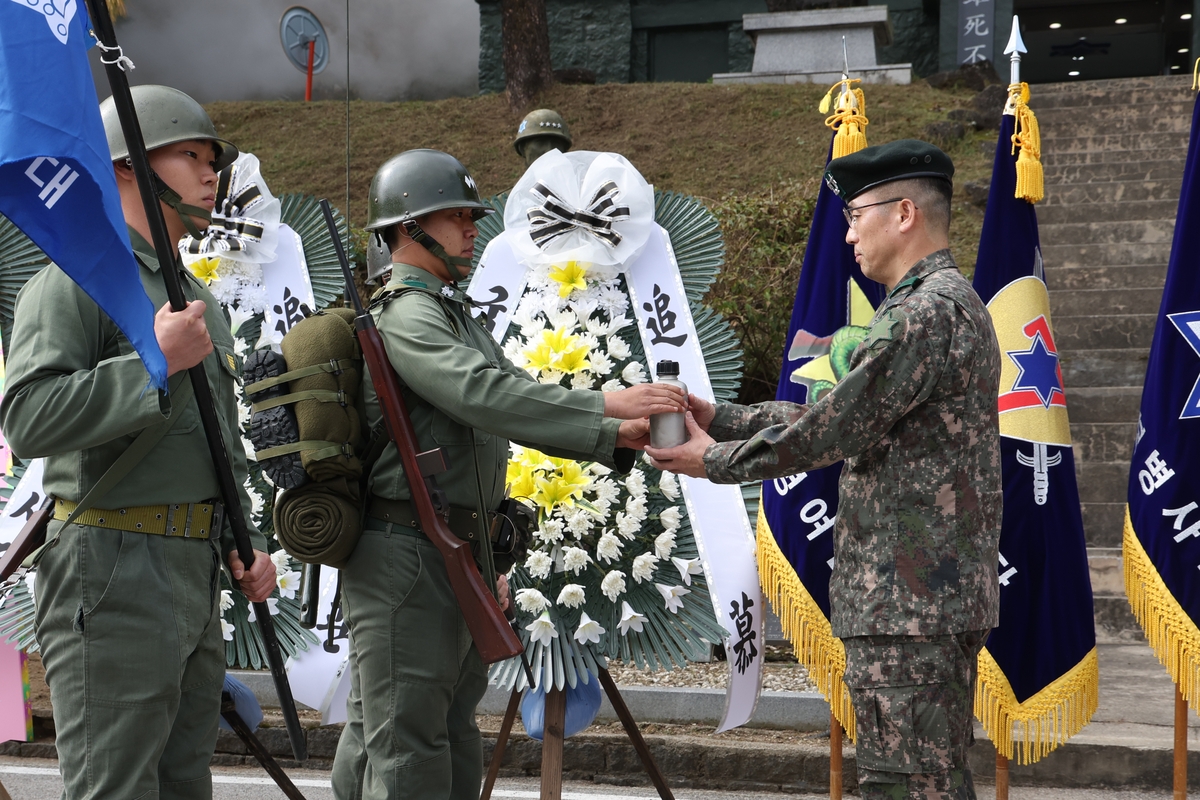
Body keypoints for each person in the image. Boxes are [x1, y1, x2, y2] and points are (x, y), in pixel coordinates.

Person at [646, 140, 1002, 800]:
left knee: (909, 784)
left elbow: (833, 429)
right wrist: (719, 417)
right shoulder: (933, 306)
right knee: (924, 778)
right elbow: (843, 411)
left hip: (911, 603)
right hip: (917, 600)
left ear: (903, 214)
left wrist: (712, 460)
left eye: (854, 216)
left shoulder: (925, 313)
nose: (845, 236)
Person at [330, 148, 679, 800]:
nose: (472, 229)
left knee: (439, 725)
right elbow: (479, 394)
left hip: (453, 549)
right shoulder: (407, 313)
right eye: (456, 217)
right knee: (409, 742)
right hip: (406, 554)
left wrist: (611, 419)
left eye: (471, 216)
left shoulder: (451, 310)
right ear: (408, 228)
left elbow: (509, 389)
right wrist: (606, 416)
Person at [1, 85, 275, 799]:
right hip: (112, 565)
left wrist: (238, 546)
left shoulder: (195, 297)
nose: (212, 174)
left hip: (190, 568)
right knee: (115, 788)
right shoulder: (78, 281)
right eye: (191, 156)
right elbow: (27, 417)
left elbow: (207, 441)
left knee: (183, 785)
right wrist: (150, 364)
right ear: (127, 168)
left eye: (214, 160)